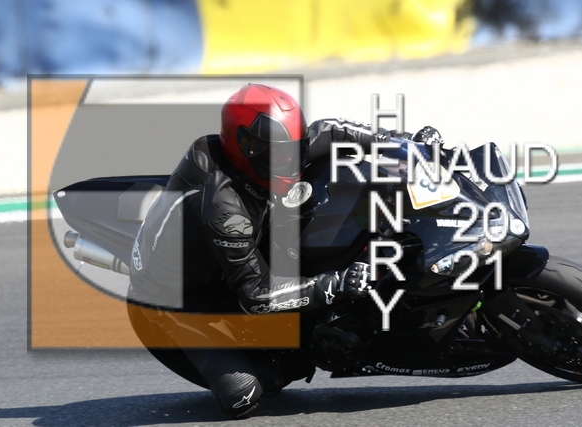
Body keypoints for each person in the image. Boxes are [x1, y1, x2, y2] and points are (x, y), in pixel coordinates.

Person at [127, 84, 426, 418]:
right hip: (177, 300)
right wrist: (335, 284)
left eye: (297, 150)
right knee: (252, 388)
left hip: (232, 252)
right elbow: (256, 295)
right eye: (280, 156)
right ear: (246, 149)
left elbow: (331, 131)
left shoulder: (277, 150)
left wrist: (405, 143)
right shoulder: (224, 211)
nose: (292, 163)